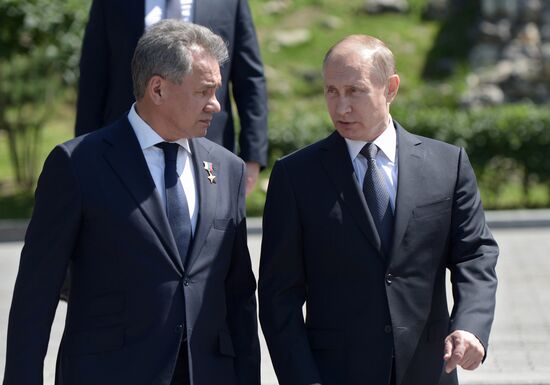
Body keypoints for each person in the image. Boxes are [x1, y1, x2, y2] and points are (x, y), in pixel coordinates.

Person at [3, 20, 260, 385]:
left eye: (217, 91)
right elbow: (36, 291)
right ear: (157, 89)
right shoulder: (78, 165)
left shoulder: (227, 169)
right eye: (204, 91)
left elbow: (238, 296)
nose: (216, 105)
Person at [258, 35, 498, 385]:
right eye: (331, 91)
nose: (341, 108)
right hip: (335, 374)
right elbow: (279, 295)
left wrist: (470, 326)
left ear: (390, 88)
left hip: (427, 371)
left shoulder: (447, 165)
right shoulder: (295, 177)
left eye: (355, 91)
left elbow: (474, 255)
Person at [75, 0, 268, 195]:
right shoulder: (111, 4)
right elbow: (94, 76)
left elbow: (250, 79)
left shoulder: (230, 3)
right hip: (125, 150)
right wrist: (83, 152)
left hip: (209, 149)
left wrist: (253, 156)